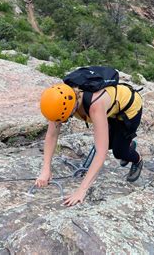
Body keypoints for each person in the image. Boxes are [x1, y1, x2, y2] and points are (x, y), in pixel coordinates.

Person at [36, 69, 143, 207]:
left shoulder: (95, 106)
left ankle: (137, 159)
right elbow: (51, 134)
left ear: (72, 109)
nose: (60, 123)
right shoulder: (62, 99)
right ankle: (123, 143)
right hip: (110, 109)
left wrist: (81, 190)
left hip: (128, 110)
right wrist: (46, 169)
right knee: (109, 143)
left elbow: (101, 153)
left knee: (118, 151)